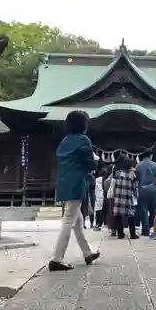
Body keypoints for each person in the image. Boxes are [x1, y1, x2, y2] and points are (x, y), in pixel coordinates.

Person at [49, 110, 100, 271]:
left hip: (64, 183)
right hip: (76, 183)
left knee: (77, 221)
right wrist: (95, 159)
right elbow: (90, 164)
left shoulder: (64, 140)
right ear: (84, 125)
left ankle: (87, 252)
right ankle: (56, 259)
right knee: (69, 220)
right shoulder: (83, 139)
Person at [112, 158, 139, 239]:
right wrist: (136, 196)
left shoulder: (117, 173)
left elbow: (113, 184)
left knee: (118, 216)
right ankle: (132, 234)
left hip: (118, 198)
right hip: (128, 198)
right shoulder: (132, 175)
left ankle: (120, 234)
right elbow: (135, 189)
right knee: (131, 216)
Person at [135, 149, 156, 237]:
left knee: (143, 210)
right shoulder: (155, 165)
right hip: (153, 188)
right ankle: (151, 225)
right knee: (153, 210)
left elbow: (136, 179)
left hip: (142, 189)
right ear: (150, 155)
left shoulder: (138, 165)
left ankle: (145, 229)